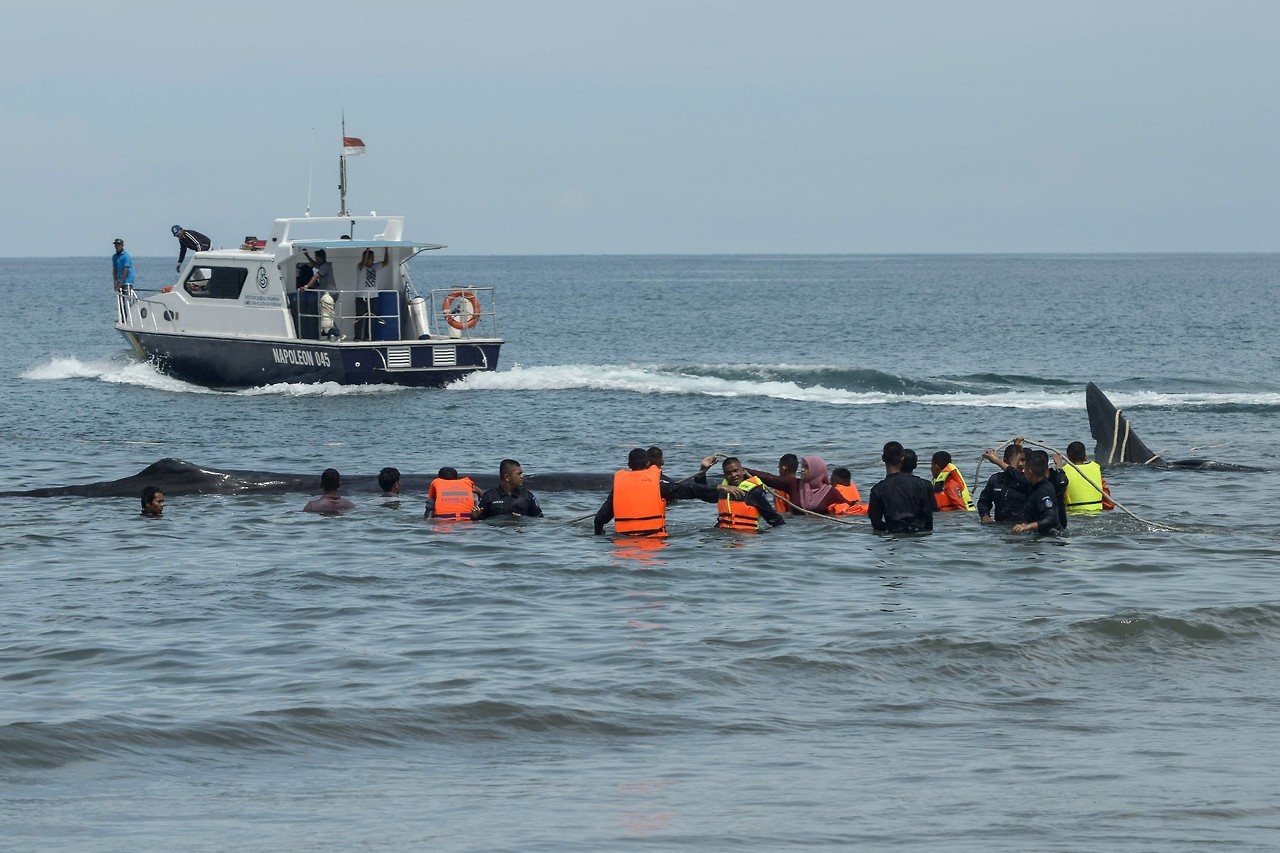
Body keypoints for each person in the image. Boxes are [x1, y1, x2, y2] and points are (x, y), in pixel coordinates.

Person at [594, 447, 717, 536]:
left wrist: (599, 533)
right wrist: (718, 488)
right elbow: (693, 491)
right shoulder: (660, 485)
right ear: (648, 464)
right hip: (653, 543)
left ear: (629, 465)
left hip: (625, 545)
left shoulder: (618, 489)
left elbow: (599, 519)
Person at [694, 456, 786, 532]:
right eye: (729, 473)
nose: (733, 475)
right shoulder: (723, 489)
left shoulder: (754, 492)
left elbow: (775, 520)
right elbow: (702, 493)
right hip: (723, 536)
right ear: (725, 476)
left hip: (746, 538)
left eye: (735, 471)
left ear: (742, 471)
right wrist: (703, 470)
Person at [867, 441, 935, 533]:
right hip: (918, 536)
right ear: (902, 458)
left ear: (883, 459)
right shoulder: (919, 483)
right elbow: (928, 516)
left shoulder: (877, 489)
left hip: (893, 537)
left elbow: (876, 523)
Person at [1012, 450, 1066, 534]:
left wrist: (1027, 527)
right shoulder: (1035, 486)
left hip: (1052, 538)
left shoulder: (1044, 490)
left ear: (1030, 473)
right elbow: (1012, 473)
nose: (1022, 472)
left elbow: (1051, 518)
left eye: (1024, 470)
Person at [976, 444, 1030, 524]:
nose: (1020, 464)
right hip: (1000, 526)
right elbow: (984, 501)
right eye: (1017, 460)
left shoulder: (1029, 481)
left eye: (1023, 460)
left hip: (1024, 527)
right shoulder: (996, 479)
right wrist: (985, 516)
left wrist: (997, 461)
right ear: (1005, 461)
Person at [1059, 441, 1114, 515]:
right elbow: (1106, 496)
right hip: (1097, 513)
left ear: (1068, 457)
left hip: (1074, 515)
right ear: (1085, 457)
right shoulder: (1096, 468)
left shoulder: (1063, 471)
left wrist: (1058, 466)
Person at [475, 459, 543, 519]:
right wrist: (475, 516)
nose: (522, 476)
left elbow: (539, 518)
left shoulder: (527, 496)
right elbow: (481, 522)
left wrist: (523, 518)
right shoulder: (489, 496)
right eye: (519, 474)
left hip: (519, 531)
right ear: (507, 477)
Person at [300, 248, 341, 340]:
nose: (316, 259)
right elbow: (314, 265)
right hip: (329, 294)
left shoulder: (325, 267)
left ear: (321, 258)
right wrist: (307, 256)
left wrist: (306, 287)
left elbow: (316, 276)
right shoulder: (323, 265)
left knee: (327, 315)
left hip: (330, 294)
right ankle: (331, 334)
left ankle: (336, 333)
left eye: (316, 257)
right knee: (326, 315)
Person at [354, 248, 390, 341]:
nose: (373, 260)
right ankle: (357, 337)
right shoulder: (360, 267)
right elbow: (363, 262)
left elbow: (386, 262)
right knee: (360, 318)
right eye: (371, 258)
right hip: (361, 296)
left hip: (373, 296)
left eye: (373, 258)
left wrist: (386, 250)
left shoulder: (375, 266)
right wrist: (367, 249)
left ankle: (367, 337)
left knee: (371, 318)